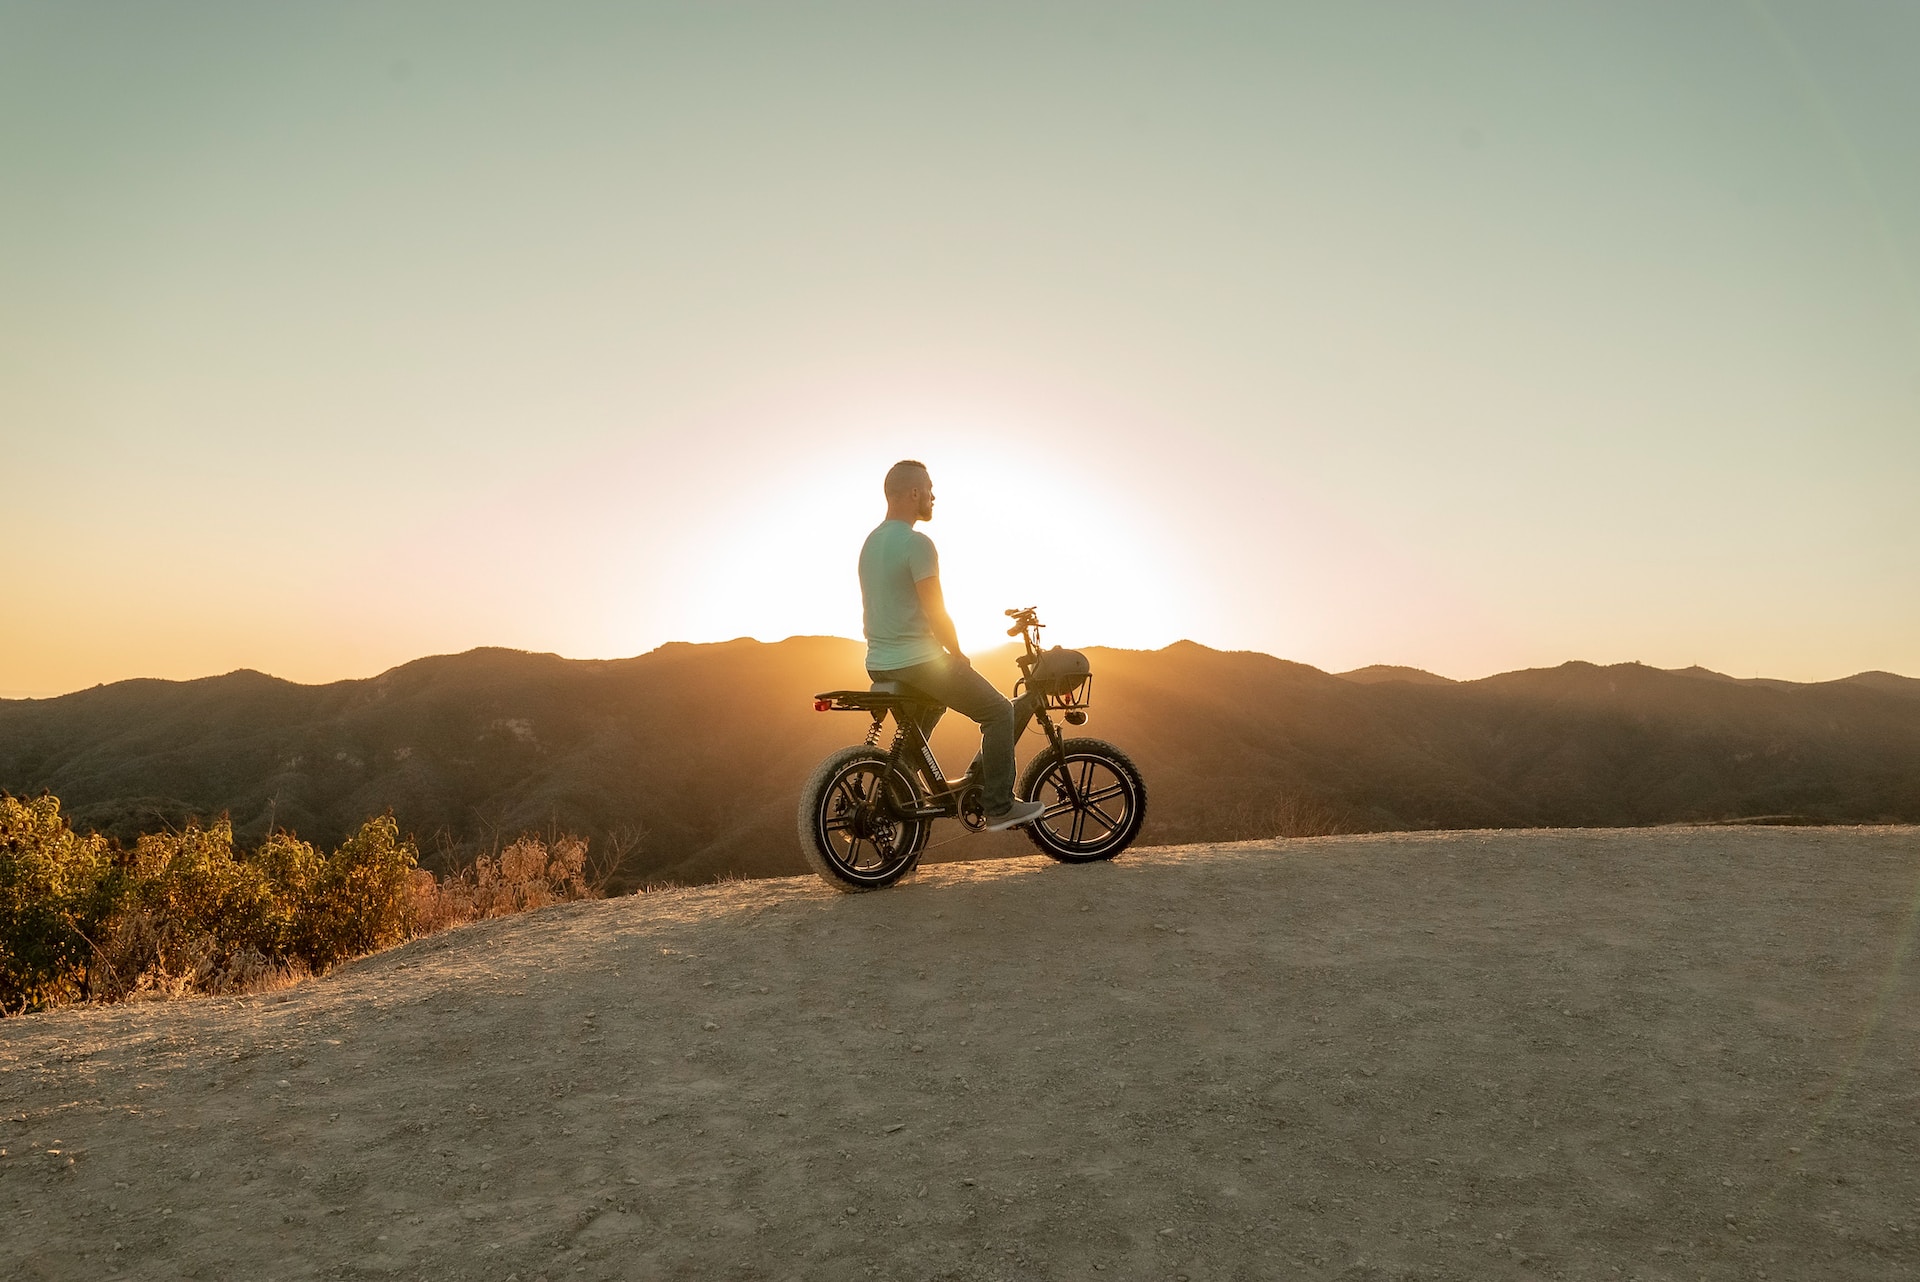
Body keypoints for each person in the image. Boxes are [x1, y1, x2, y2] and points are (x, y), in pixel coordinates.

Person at [859, 460, 1046, 830]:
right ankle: (998, 805)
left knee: (929, 712)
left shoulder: (871, 543)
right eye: (929, 489)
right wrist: (957, 653)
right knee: (999, 712)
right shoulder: (917, 543)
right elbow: (935, 609)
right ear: (914, 493)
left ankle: (902, 799)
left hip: (878, 662)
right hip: (918, 661)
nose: (933, 496)